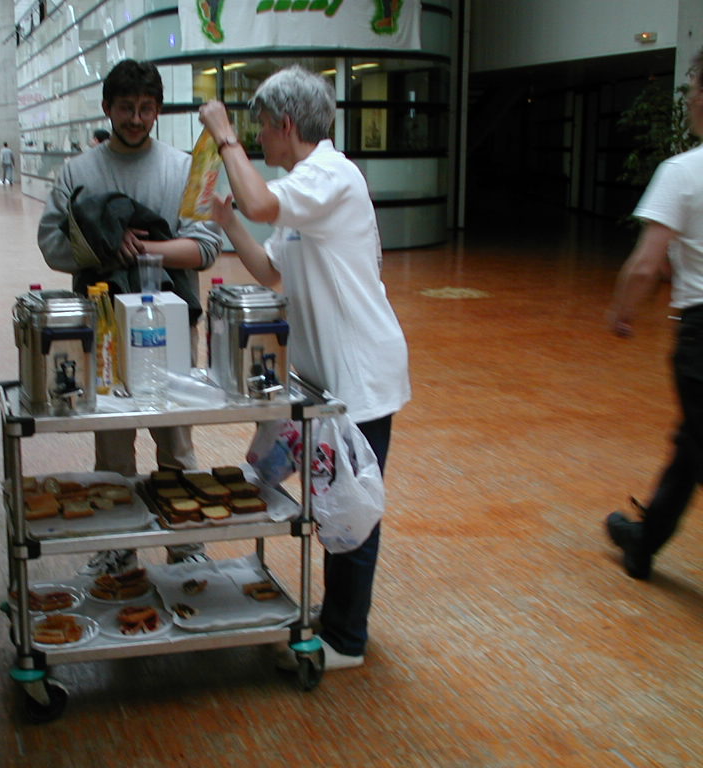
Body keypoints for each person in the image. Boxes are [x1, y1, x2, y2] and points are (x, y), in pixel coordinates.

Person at [198, 66, 410, 670]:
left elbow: (262, 201)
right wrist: (228, 222)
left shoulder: (331, 174)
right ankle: (337, 617)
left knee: (350, 505)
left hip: (360, 375)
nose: (257, 138)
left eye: (261, 127)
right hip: (327, 380)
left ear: (285, 124)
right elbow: (271, 271)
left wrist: (224, 136)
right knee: (330, 497)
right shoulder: (306, 187)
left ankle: (346, 639)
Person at [38, 59, 222, 575]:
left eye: (145, 108)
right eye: (125, 108)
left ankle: (186, 542)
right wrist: (103, 243)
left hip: (173, 326)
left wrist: (143, 250)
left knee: (175, 439)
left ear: (158, 110)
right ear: (107, 108)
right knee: (112, 443)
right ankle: (117, 545)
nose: (136, 119)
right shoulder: (77, 172)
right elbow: (52, 244)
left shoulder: (183, 168)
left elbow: (205, 247)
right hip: (103, 329)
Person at [604, 49, 703, 581]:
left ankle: (644, 541)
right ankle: (644, 541)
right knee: (693, 444)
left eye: (692, 90)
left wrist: (622, 311)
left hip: (701, 334)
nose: (687, 101)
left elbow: (646, 264)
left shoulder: (683, 172)